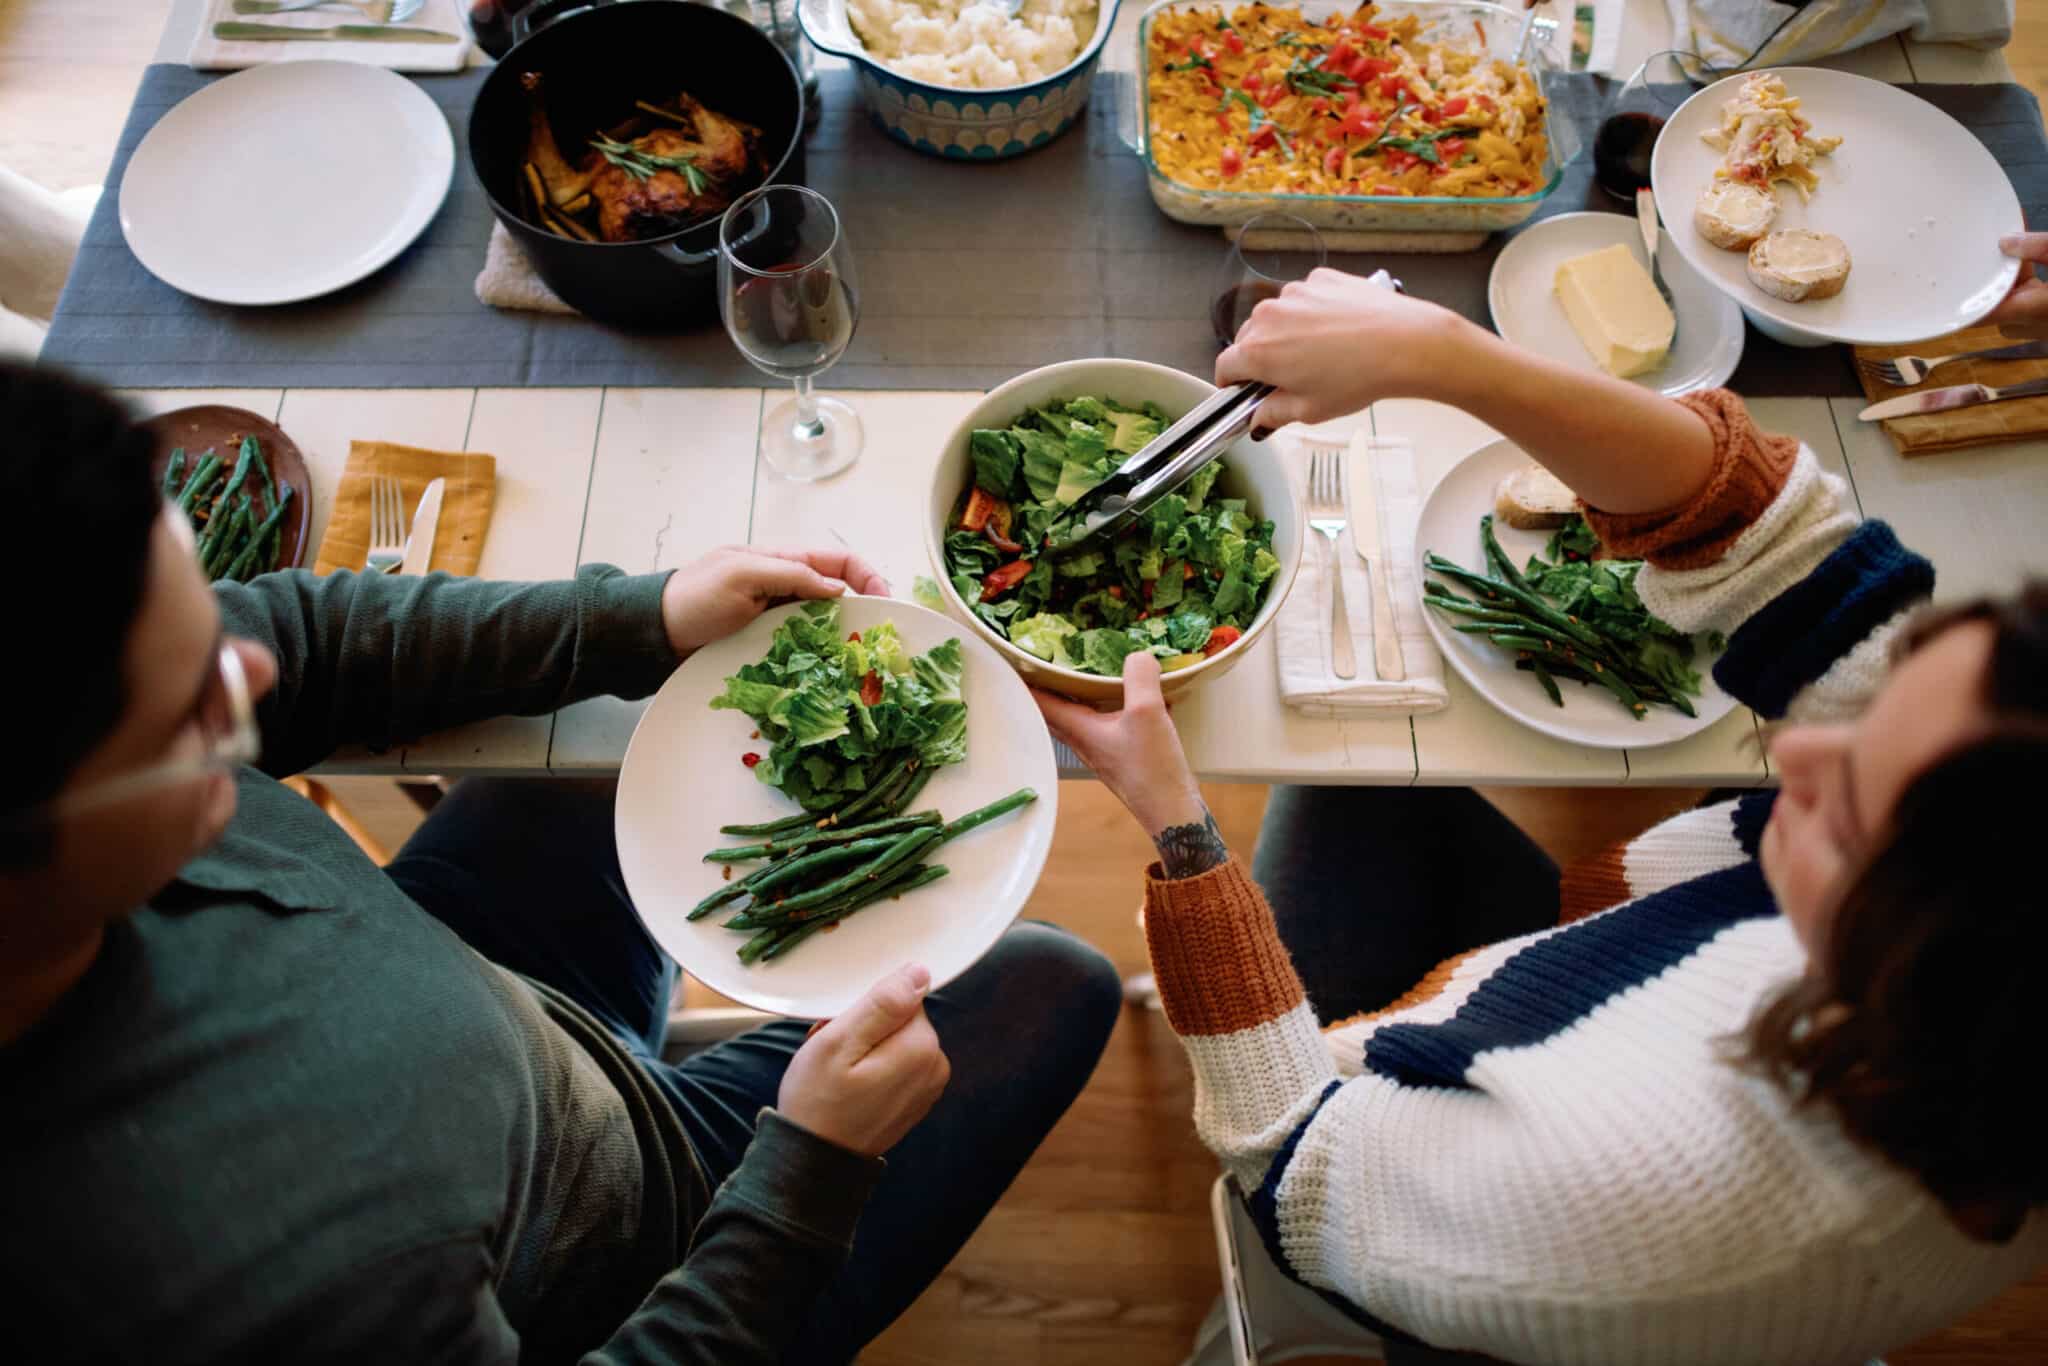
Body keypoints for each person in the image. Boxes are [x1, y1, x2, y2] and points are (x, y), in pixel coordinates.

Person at [0, 361, 1122, 1364]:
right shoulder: (257, 1287)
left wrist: (638, 619)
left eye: (209, 628)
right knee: (1051, 985)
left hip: (474, 990)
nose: (248, 677)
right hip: (668, 1231)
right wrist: (805, 1175)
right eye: (188, 710)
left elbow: (298, 642)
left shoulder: (74, 702)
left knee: (614, 738)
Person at [1041, 269, 2048, 1365]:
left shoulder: (1646, 1207)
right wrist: (1437, 350)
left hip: (1350, 1136)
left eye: (1840, 806)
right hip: (1563, 959)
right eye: (1880, 711)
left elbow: (1288, 1157)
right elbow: (1771, 533)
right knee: (1360, 774)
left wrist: (1184, 838)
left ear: (1915, 948)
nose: (1794, 749)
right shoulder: (1989, 882)